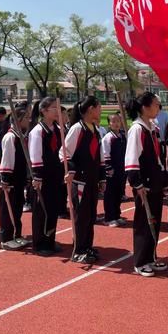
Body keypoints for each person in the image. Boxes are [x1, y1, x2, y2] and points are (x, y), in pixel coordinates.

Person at [125, 92, 168, 277]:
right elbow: (132, 158)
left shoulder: (153, 128)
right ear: (145, 107)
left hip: (156, 182)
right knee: (144, 222)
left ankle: (150, 256)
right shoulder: (137, 129)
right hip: (145, 184)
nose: (159, 108)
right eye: (156, 104)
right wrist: (137, 183)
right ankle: (140, 261)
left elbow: (159, 157)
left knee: (155, 221)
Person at [62, 96, 105, 264]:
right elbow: (64, 152)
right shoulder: (77, 129)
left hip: (92, 180)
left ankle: (87, 245)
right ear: (90, 109)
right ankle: (78, 249)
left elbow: (99, 157)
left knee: (90, 215)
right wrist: (71, 170)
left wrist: (102, 178)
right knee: (81, 216)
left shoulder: (95, 129)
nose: (100, 110)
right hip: (80, 182)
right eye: (99, 107)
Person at [28, 97, 64, 257]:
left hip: (56, 175)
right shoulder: (38, 131)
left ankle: (49, 239)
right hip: (43, 177)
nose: (57, 111)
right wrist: (37, 177)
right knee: (41, 211)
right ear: (43, 111)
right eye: (53, 108)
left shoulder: (57, 129)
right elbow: (35, 155)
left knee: (53, 209)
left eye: (58, 108)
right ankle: (39, 243)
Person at [0, 103, 31, 250]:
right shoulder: (10, 137)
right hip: (10, 180)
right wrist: (5, 179)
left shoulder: (22, 136)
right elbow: (7, 159)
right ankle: (6, 238)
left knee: (17, 208)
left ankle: (16, 235)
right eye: (26, 118)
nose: (29, 120)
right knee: (8, 209)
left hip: (19, 178)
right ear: (18, 119)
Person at [102, 113, 127, 227]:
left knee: (119, 193)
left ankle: (116, 215)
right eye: (113, 121)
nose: (116, 123)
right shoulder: (108, 138)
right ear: (109, 124)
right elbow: (105, 154)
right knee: (110, 194)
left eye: (118, 121)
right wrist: (109, 168)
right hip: (112, 171)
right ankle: (109, 217)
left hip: (122, 169)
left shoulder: (123, 136)